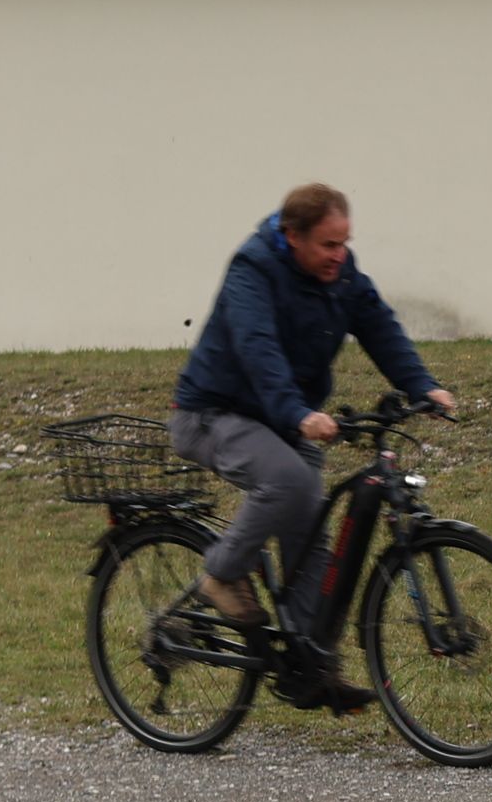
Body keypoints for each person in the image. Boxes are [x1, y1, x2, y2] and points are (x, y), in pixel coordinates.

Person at [171, 182, 456, 707]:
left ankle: (311, 665)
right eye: (328, 244)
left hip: (280, 419)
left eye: (344, 242)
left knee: (311, 533)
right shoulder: (252, 273)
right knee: (288, 480)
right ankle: (220, 574)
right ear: (292, 236)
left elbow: (377, 324)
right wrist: (298, 414)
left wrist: (422, 385)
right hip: (214, 413)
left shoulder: (338, 273)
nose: (339, 255)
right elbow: (258, 352)